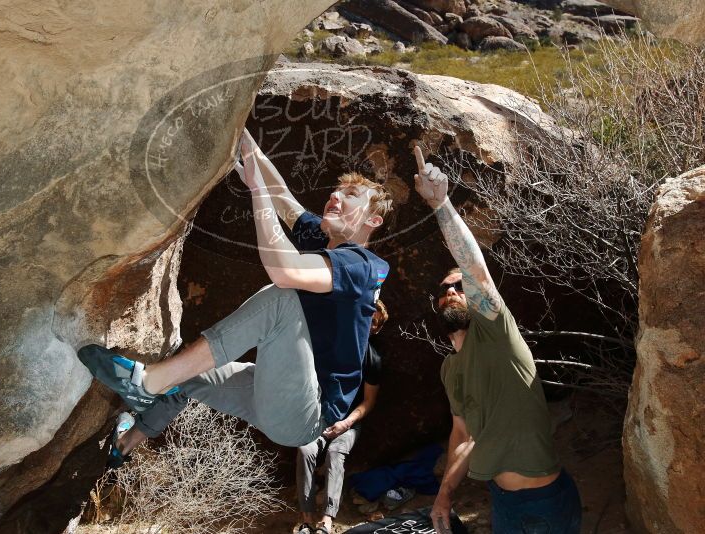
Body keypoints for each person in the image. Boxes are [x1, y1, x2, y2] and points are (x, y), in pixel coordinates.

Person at [77, 129, 393, 465]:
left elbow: (286, 272)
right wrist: (241, 134)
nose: (334, 195)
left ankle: (147, 383)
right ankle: (126, 443)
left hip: (308, 412)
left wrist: (256, 191)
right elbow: (282, 196)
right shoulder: (322, 239)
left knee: (283, 300)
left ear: (372, 220)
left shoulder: (365, 266)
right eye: (336, 190)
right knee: (189, 370)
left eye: (351, 194)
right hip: (268, 392)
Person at [411, 146, 582, 533]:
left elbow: (476, 271)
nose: (453, 291)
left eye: (460, 288)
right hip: (501, 503)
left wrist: (441, 206)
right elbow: (463, 433)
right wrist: (444, 493)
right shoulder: (450, 368)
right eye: (445, 289)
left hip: (544, 503)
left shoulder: (496, 334)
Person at [295, 300, 388, 534]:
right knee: (306, 450)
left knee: (336, 453)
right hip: (321, 416)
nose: (366, 323)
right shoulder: (334, 343)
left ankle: (326, 520)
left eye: (372, 322)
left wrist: (346, 423)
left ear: (376, 328)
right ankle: (306, 518)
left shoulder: (373, 358)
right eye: (364, 316)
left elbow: (369, 401)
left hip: (349, 423)